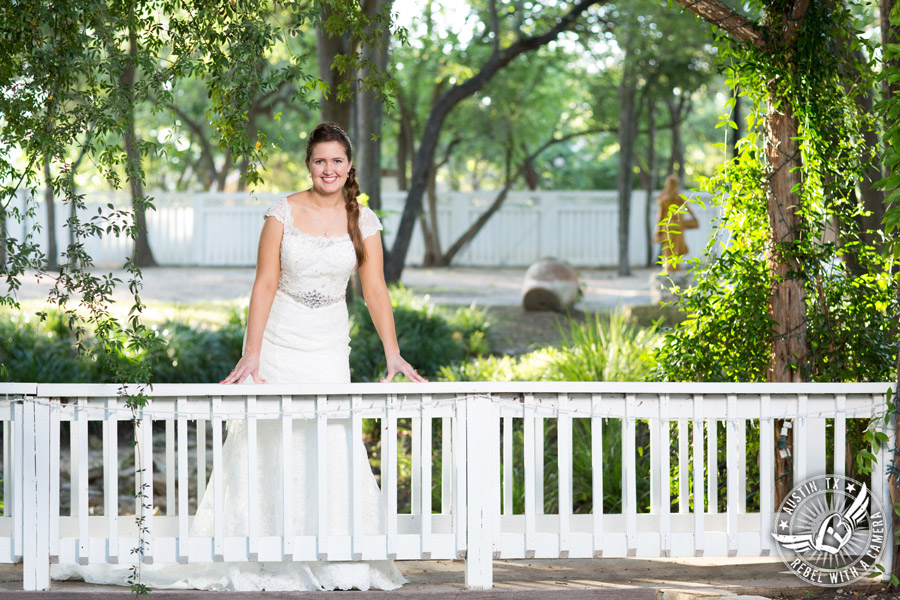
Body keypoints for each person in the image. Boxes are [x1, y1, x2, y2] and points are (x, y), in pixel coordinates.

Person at [51, 123, 425, 591]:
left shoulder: (363, 222)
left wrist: (393, 353)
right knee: (269, 439)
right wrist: (252, 354)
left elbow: (374, 290)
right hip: (280, 341)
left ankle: (337, 555)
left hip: (329, 343)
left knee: (330, 436)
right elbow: (265, 283)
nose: (328, 169)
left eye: (336, 160)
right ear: (308, 165)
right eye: (319, 160)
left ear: (350, 166)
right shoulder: (282, 212)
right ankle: (263, 554)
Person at [654, 174, 699, 273]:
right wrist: (694, 218)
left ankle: (671, 268)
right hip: (675, 227)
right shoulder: (675, 198)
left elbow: (660, 217)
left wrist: (658, 229)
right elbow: (689, 209)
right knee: (675, 249)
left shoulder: (665, 197)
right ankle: (671, 268)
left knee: (674, 249)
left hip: (670, 227)